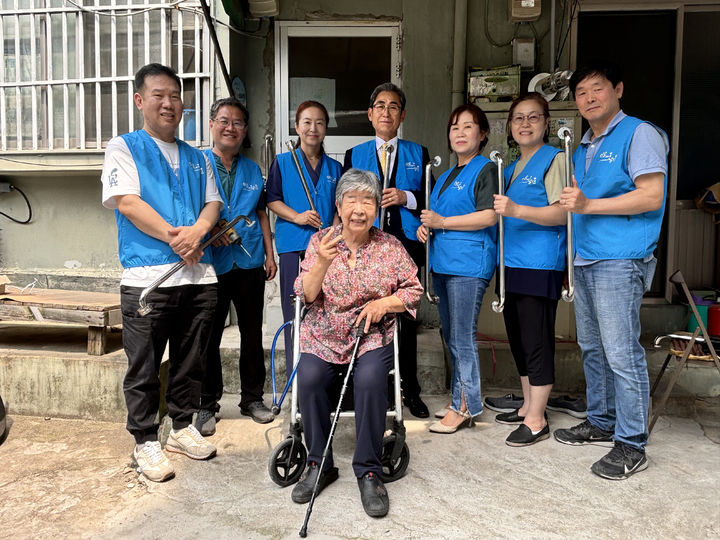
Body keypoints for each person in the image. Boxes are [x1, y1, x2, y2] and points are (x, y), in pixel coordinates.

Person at [100, 63, 222, 482]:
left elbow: (213, 205)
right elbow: (127, 202)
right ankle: (145, 440)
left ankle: (183, 427)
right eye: (159, 95)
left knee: (192, 361)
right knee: (145, 364)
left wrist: (200, 231)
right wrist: (178, 238)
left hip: (199, 277)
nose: (169, 103)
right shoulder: (123, 147)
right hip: (148, 279)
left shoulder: (197, 157)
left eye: (175, 95)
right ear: (140, 100)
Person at [555, 61, 668, 480]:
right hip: (587, 260)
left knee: (622, 352)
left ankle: (632, 442)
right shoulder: (584, 146)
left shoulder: (639, 134)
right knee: (593, 347)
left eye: (596, 89)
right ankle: (601, 421)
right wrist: (571, 260)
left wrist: (589, 206)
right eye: (581, 93)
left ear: (617, 89)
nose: (588, 98)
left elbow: (651, 196)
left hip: (621, 260)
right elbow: (575, 211)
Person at [290, 169, 422, 518]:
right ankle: (319, 463)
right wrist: (321, 261)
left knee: (370, 380)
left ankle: (368, 469)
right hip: (324, 333)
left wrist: (383, 304)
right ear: (338, 205)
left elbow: (413, 289)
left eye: (368, 201)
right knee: (311, 377)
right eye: (352, 200)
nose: (359, 209)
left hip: (370, 334)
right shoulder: (321, 241)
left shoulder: (389, 246)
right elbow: (304, 294)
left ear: (377, 208)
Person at [343, 83, 430, 419]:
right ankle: (360, 387)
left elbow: (429, 198)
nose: (386, 112)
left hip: (405, 245)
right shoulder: (354, 154)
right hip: (367, 244)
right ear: (370, 114)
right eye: (380, 106)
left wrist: (406, 197)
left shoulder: (419, 152)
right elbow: (347, 198)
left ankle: (410, 390)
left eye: (394, 106)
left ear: (402, 115)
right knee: (362, 313)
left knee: (406, 318)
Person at [194, 97, 277, 434]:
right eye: (224, 121)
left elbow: (261, 213)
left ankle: (252, 399)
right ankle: (206, 403)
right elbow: (189, 210)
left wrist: (270, 255)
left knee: (251, 332)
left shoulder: (253, 169)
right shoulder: (196, 165)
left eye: (238, 123)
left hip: (250, 260)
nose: (231, 128)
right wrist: (212, 228)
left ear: (245, 131)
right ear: (212, 124)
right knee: (208, 335)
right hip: (210, 263)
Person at [417, 103, 498, 433]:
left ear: (482, 134)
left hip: (468, 265)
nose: (460, 133)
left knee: (462, 338)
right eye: (454, 127)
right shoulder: (449, 175)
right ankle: (458, 398)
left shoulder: (485, 170)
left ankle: (466, 406)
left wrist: (443, 222)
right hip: (445, 264)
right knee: (451, 336)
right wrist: (428, 229)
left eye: (468, 127)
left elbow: (489, 216)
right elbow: (436, 217)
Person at [492, 93, 567, 446]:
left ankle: (537, 419)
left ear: (546, 123)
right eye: (518, 118)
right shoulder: (510, 169)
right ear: (510, 126)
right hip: (511, 265)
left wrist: (517, 210)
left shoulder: (554, 160)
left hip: (539, 264)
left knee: (536, 341)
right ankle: (527, 405)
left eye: (533, 117)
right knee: (519, 340)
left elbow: (563, 213)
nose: (525, 124)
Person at [266, 101, 341, 377]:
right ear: (297, 127)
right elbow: (271, 199)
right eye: (307, 122)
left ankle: (325, 374)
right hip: (293, 247)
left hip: (325, 250)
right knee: (294, 311)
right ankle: (297, 379)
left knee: (327, 311)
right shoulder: (283, 162)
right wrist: (297, 217)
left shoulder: (335, 167)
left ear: (326, 129)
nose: (313, 128)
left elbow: (340, 207)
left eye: (320, 122)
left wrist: (332, 232)